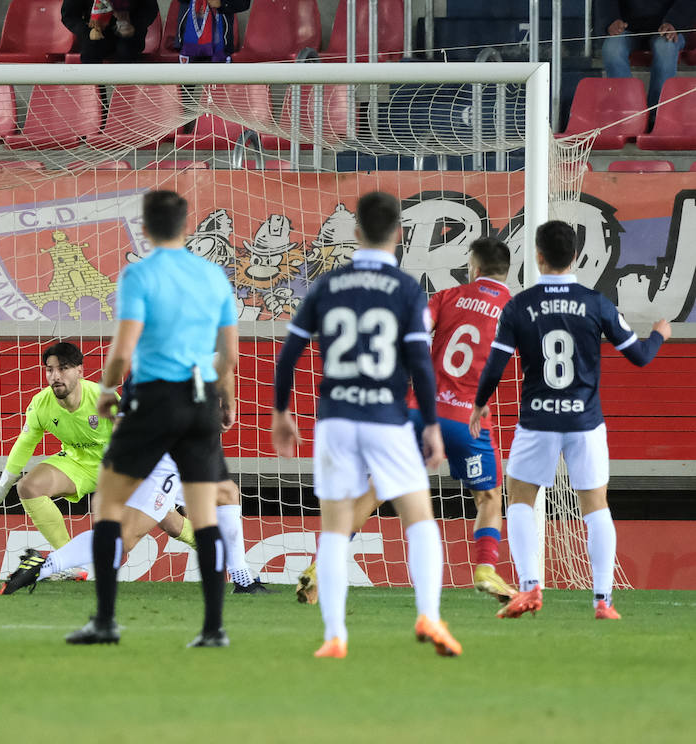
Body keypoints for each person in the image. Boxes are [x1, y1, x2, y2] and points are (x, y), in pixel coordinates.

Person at [271, 191, 460, 659]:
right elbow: (420, 360)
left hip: (336, 420)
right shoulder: (407, 289)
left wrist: (280, 413)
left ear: (355, 233)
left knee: (335, 528)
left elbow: (289, 355)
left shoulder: (328, 285)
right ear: (398, 234)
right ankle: (429, 616)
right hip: (386, 419)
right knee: (418, 518)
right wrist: (432, 425)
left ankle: (335, 635)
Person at [294, 237, 520, 607]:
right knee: (489, 497)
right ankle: (485, 568)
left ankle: (321, 565)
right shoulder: (513, 309)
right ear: (506, 271)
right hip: (470, 421)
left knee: (375, 488)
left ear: (473, 267)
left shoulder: (448, 296)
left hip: (420, 413)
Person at [63, 189, 237, 648]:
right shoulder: (214, 276)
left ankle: (104, 621)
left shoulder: (139, 275)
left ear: (144, 227)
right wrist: (223, 398)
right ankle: (214, 629)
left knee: (107, 507)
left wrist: (104, 391)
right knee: (204, 519)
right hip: (199, 404)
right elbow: (229, 355)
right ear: (186, 227)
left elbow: (122, 350)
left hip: (154, 404)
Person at [470, 221, 668, 621]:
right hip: (585, 421)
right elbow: (641, 357)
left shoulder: (519, 306)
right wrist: (660, 334)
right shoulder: (596, 303)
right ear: (575, 256)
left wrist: (478, 404)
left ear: (538, 256)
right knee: (596, 507)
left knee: (521, 500)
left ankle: (528, 588)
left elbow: (494, 366)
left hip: (537, 420)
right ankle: (602, 600)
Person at [0, 375, 269, 596]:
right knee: (125, 539)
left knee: (226, 494)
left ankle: (242, 579)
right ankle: (44, 566)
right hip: (160, 461)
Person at [0, 341, 192, 581]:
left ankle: (214, 548)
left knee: (172, 525)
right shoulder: (41, 404)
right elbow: (24, 445)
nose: (55, 376)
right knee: (29, 487)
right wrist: (2, 486)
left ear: (80, 371)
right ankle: (65, 564)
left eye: (63, 369)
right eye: (50, 370)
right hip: (78, 464)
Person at [596, 0, 694, 108]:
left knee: (665, 47)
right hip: (626, 28)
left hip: (668, 27)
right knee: (612, 49)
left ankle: (658, 114)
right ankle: (628, 113)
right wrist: (612, 20)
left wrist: (674, 22)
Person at [61, 0, 160, 64]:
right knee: (90, 49)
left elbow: (150, 9)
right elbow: (69, 16)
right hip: (95, 34)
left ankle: (125, 93)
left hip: (130, 32)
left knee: (125, 49)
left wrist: (135, 26)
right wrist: (86, 32)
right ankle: (93, 93)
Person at [174, 0, 249, 63]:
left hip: (221, 46)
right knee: (189, 79)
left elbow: (244, 3)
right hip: (188, 44)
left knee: (218, 79)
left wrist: (222, 2)